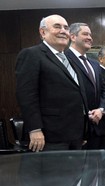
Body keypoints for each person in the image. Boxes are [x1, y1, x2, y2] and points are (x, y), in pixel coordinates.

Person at [15, 14, 88, 151]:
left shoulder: (69, 59)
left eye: (66, 28)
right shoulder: (32, 55)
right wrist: (35, 129)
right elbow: (26, 95)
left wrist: (83, 129)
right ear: (43, 32)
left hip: (75, 135)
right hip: (49, 137)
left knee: (74, 173)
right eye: (57, 26)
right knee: (53, 173)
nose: (63, 31)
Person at [65, 22, 105, 149]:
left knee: (95, 166)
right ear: (72, 37)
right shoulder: (64, 59)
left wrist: (101, 110)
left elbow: (104, 91)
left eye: (90, 34)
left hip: (97, 125)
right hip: (76, 127)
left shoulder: (94, 64)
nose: (90, 37)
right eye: (85, 34)